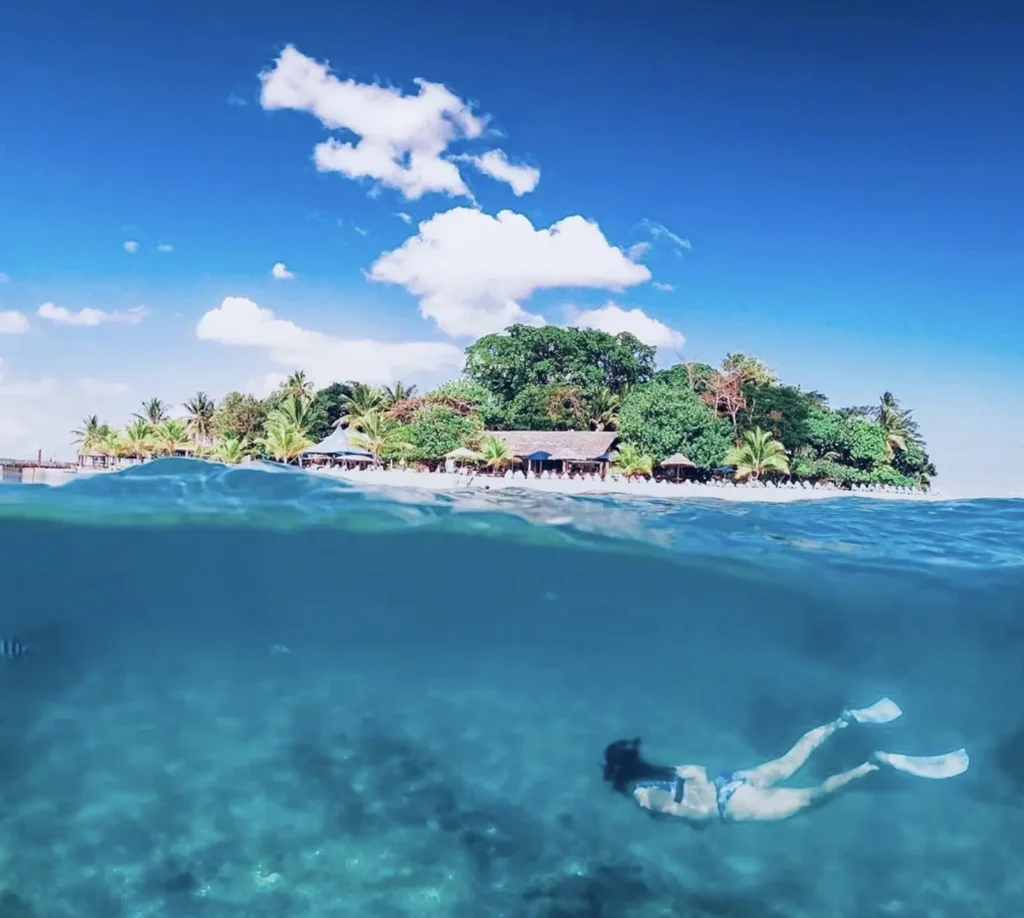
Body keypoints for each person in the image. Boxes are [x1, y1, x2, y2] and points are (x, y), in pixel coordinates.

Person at [602, 698, 969, 824]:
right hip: (733, 782)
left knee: (811, 799)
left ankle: (874, 764)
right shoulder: (661, 774)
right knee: (793, 757)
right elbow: (697, 772)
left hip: (732, 806)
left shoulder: (641, 794)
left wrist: (698, 823)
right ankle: (843, 721)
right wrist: (697, 789)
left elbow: (696, 813)